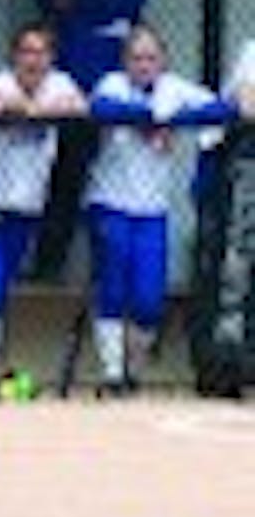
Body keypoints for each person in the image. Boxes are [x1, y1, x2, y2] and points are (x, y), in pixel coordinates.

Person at [84, 24, 244, 396]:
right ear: (125, 61)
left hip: (152, 208)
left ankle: (134, 370)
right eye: (136, 58)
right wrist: (150, 115)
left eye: (151, 58)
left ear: (163, 61)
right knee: (112, 289)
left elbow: (221, 108)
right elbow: (101, 107)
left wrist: (175, 118)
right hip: (111, 202)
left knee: (148, 300)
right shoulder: (113, 84)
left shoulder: (173, 89)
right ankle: (112, 374)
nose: (143, 65)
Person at [34, 0, 148, 279]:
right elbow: (50, 1)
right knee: (66, 178)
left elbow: (131, 2)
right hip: (71, 85)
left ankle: (110, 272)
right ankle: (49, 268)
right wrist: (104, 4)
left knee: (117, 181)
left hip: (118, 87)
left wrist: (80, 2)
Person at [0, 23, 85, 383]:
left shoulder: (60, 83)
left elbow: (79, 105)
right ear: (14, 56)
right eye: (26, 52)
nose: (33, 60)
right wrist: (35, 110)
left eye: (41, 53)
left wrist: (35, 110)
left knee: (2, 284)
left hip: (27, 206)